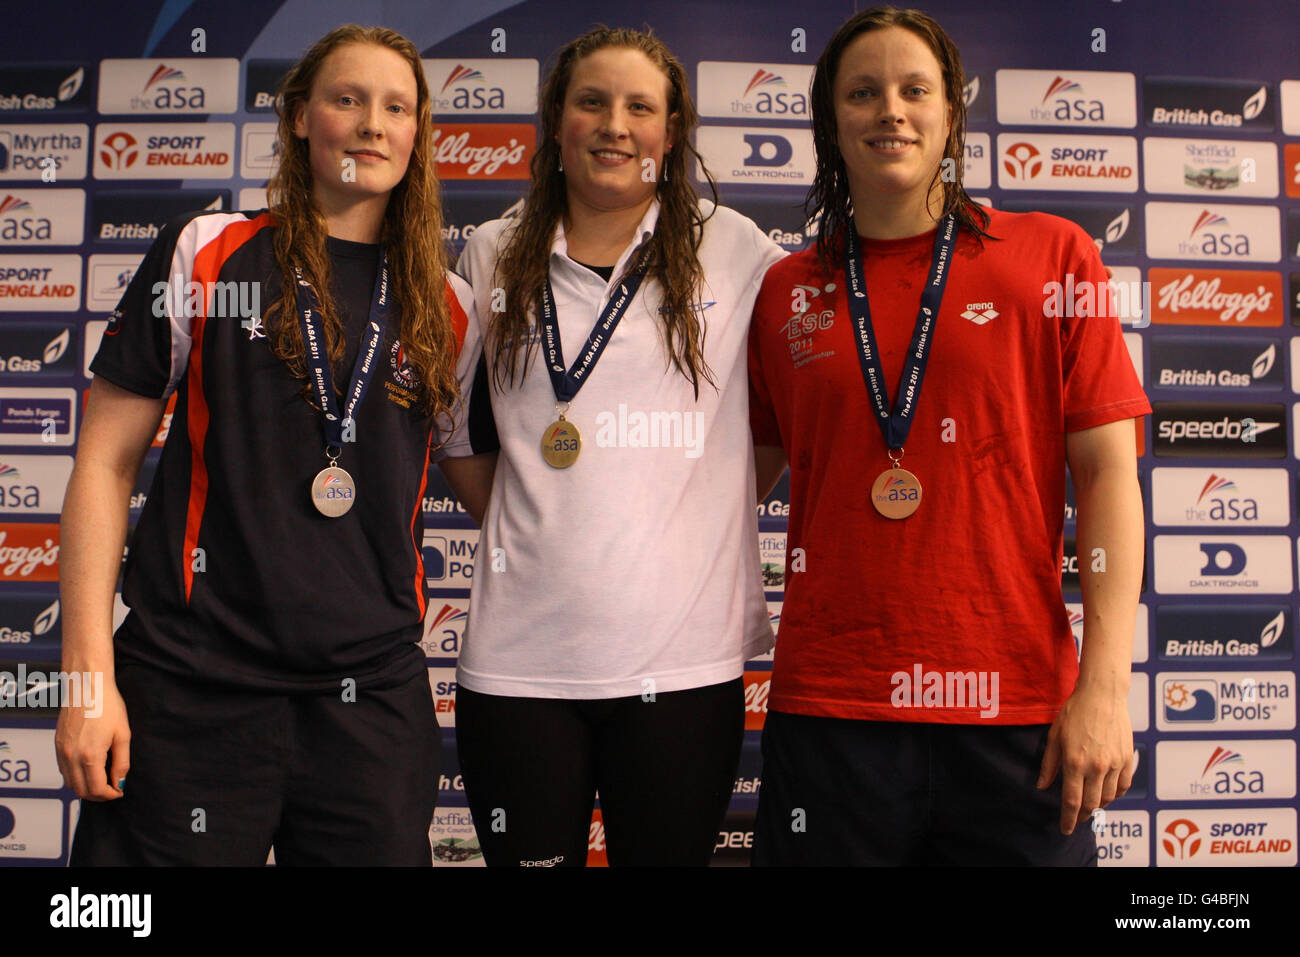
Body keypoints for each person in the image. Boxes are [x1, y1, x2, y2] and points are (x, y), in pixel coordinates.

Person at [57, 24, 476, 865]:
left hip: (370, 705)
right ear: (297, 118)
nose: (371, 123)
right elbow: (101, 465)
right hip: (189, 689)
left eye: (397, 107)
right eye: (346, 99)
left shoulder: (448, 301)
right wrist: (85, 682)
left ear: (417, 136)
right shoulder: (205, 251)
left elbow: (498, 491)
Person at [747, 6, 1150, 865]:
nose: (890, 110)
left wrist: (1106, 685)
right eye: (863, 92)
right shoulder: (786, 289)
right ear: (830, 121)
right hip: (833, 714)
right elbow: (732, 482)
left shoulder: (1055, 257)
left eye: (913, 89)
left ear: (949, 115)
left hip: (1018, 714)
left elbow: (1110, 476)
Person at [437, 26, 786, 867]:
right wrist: (545, 519)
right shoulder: (490, 252)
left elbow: (775, 429)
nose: (614, 125)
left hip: (684, 666)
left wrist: (702, 493)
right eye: (592, 101)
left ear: (672, 131)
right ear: (557, 121)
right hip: (518, 668)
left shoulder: (735, 251)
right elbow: (463, 440)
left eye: (640, 107)